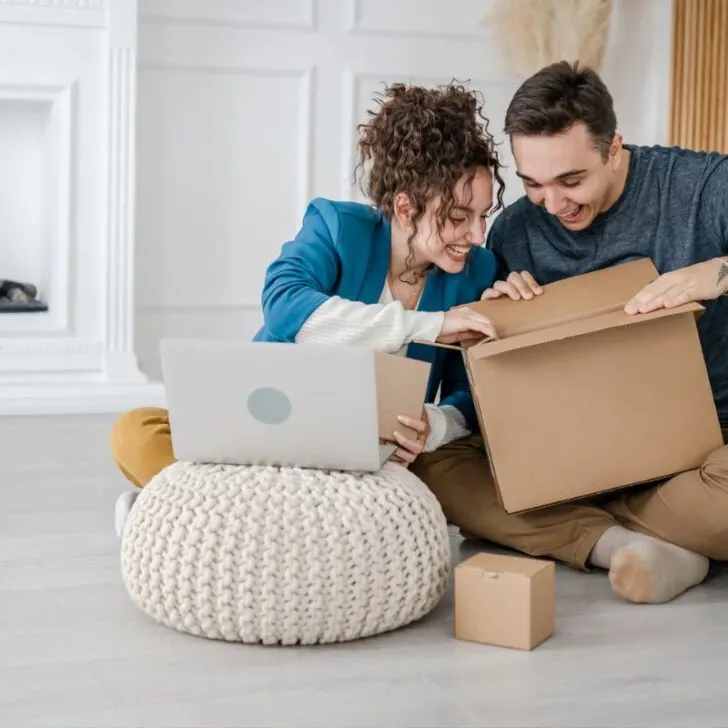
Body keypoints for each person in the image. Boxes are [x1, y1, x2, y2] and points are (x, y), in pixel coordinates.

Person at [110, 80, 505, 536]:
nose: (476, 235)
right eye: (459, 217)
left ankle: (191, 516)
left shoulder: (477, 271)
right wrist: (430, 325)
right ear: (404, 207)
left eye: (483, 216)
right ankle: (255, 521)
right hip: (264, 429)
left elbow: (468, 394)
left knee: (384, 503)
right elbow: (285, 307)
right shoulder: (337, 227)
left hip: (362, 459)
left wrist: (432, 426)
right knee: (135, 431)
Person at [411, 60, 728, 606]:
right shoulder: (515, 229)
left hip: (705, 452)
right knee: (433, 466)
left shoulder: (704, 186)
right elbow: (498, 383)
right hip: (571, 449)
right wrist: (501, 321)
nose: (554, 205)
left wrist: (717, 272)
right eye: (533, 183)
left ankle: (588, 529)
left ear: (613, 148)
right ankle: (642, 541)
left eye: (571, 180)